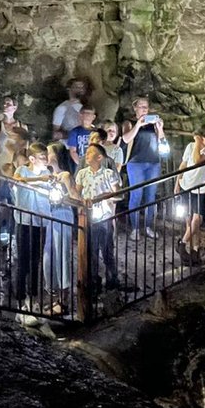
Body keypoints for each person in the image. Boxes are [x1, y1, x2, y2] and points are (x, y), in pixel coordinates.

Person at [73, 143, 121, 295]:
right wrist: (81, 203)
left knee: (107, 250)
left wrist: (104, 196)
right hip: (89, 218)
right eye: (86, 153)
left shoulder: (109, 174)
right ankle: (93, 280)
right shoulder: (82, 174)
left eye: (90, 153)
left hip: (105, 216)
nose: (86, 155)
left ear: (99, 157)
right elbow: (77, 194)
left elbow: (118, 194)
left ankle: (112, 277)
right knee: (91, 251)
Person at [12, 144, 52, 312]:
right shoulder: (22, 170)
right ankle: (20, 298)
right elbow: (17, 180)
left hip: (40, 220)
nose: (45, 160)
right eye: (42, 157)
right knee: (23, 260)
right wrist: (37, 181)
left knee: (36, 259)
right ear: (32, 159)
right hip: (24, 220)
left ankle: (33, 295)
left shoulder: (47, 173)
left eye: (46, 157)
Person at [175, 124, 205, 264]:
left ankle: (182, 244)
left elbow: (196, 162)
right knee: (191, 222)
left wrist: (199, 143)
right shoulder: (190, 146)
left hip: (201, 189)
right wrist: (177, 183)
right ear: (204, 135)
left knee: (197, 220)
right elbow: (184, 165)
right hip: (187, 186)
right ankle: (194, 252)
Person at [122, 96, 164, 240]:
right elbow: (126, 139)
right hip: (136, 163)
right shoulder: (129, 123)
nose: (144, 109)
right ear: (135, 108)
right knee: (136, 195)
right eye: (141, 106)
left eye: (146, 107)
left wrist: (160, 128)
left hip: (153, 162)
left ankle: (147, 226)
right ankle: (134, 228)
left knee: (151, 196)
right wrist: (138, 125)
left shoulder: (152, 124)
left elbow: (162, 141)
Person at [42, 143, 75, 314]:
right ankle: (54, 293)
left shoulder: (65, 175)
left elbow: (74, 195)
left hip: (62, 215)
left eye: (48, 152)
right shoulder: (49, 175)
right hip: (51, 215)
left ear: (56, 156)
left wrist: (65, 197)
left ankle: (64, 300)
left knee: (62, 256)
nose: (46, 155)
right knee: (49, 256)